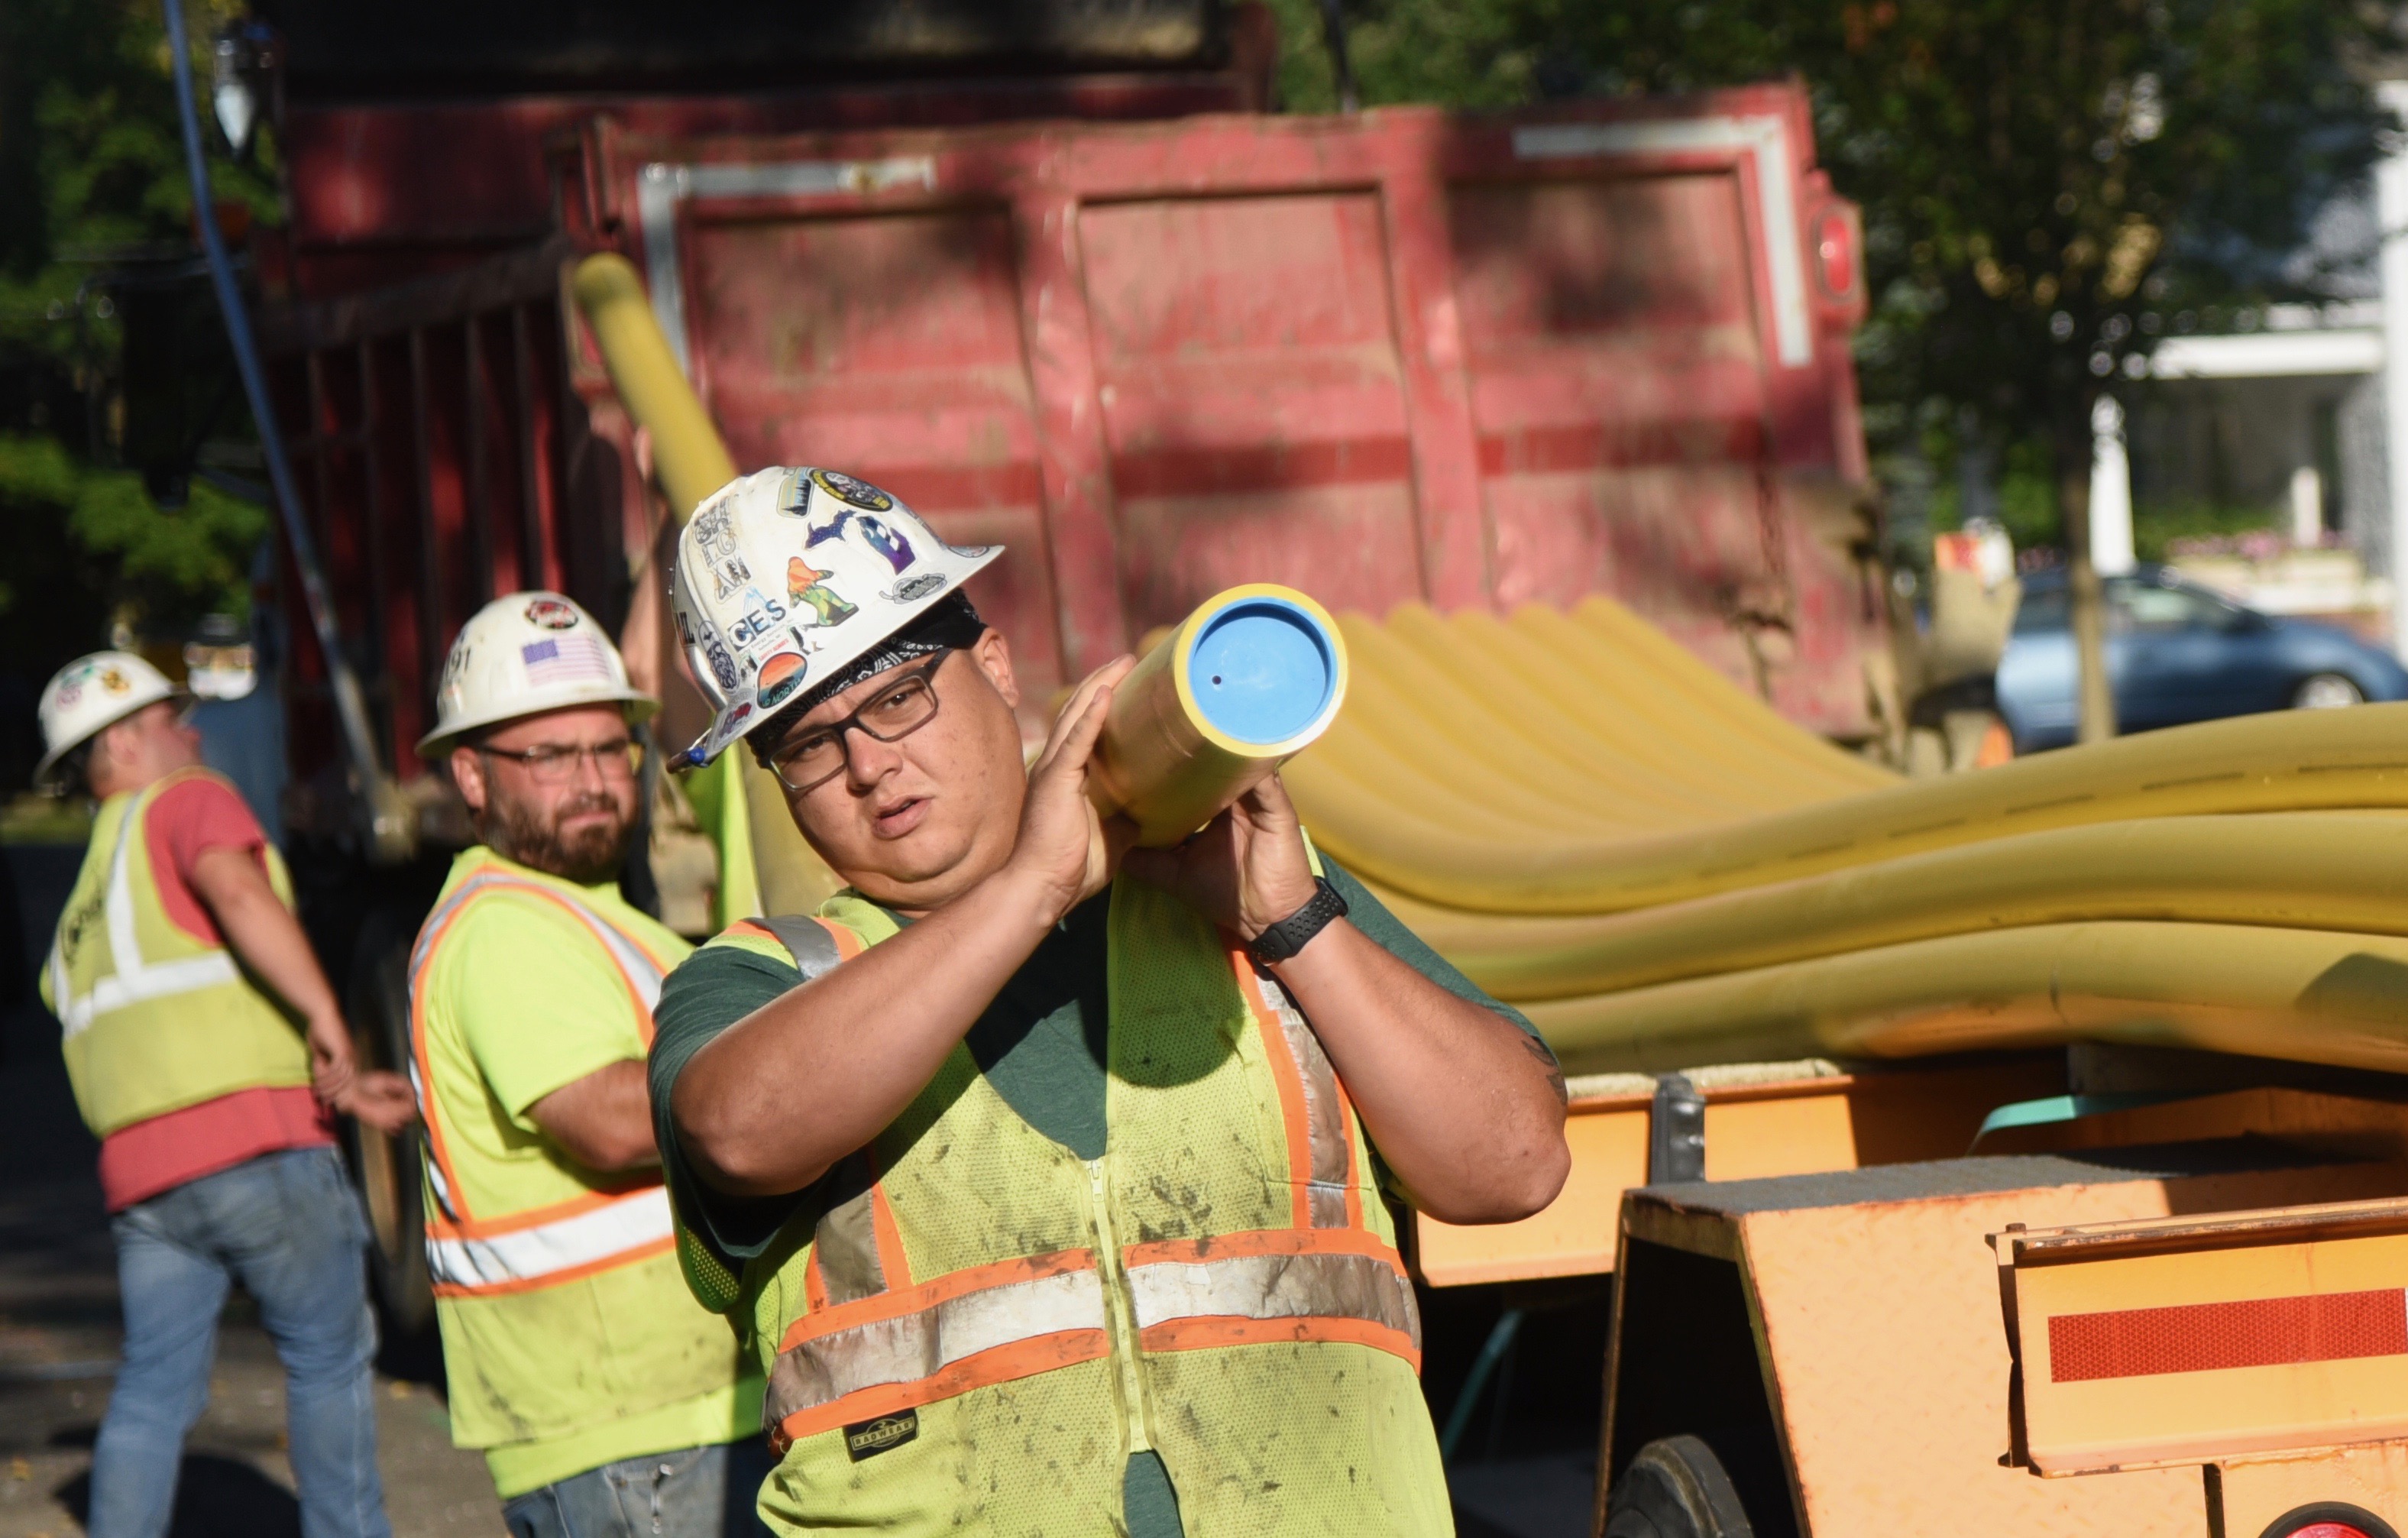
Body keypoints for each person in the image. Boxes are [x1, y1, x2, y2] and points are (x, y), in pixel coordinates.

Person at [646, 468, 1572, 1536]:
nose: (869, 763)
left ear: (993, 666)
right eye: (808, 741)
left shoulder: (1253, 897)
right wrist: (1032, 888)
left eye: (899, 694)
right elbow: (741, 1132)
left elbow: (1517, 1164)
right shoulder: (765, 980)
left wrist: (1297, 923)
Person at [407, 593, 770, 1538]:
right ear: (472, 777)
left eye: (612, 749)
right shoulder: (502, 926)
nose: (594, 780)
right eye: (549, 757)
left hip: (660, 1411)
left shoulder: (588, 913)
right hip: (627, 1427)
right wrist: (788, 1082)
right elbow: (608, 1120)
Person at [35, 650, 412, 1538]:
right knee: (327, 1357)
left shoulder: (81, 898)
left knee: (153, 1387)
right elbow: (237, 894)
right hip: (258, 1153)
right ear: (123, 742)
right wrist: (327, 1016)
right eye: (171, 720)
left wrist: (346, 1094)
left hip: (146, 1186)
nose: (192, 732)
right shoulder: (187, 802)